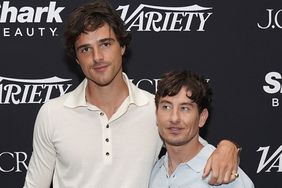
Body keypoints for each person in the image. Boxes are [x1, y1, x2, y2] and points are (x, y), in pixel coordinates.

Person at [23, 1, 240, 188]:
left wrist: (227, 147)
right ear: (77, 59)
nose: (97, 57)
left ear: (123, 47)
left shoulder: (153, 109)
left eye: (105, 44)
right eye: (85, 49)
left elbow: (194, 149)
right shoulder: (53, 113)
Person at [149, 70, 255, 188]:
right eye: (166, 107)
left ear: (202, 117)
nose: (174, 118)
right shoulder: (153, 172)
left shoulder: (223, 175)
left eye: (185, 108)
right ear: (156, 113)